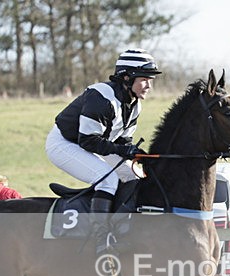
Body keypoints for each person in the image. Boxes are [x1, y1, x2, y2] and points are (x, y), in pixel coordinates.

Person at [45, 48, 162, 254]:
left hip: (95, 141)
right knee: (107, 179)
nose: (149, 85)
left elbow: (122, 140)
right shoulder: (101, 97)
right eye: (144, 79)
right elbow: (88, 141)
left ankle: (123, 228)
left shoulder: (134, 105)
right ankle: (101, 237)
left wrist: (136, 154)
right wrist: (125, 150)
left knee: (133, 176)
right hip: (64, 143)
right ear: (127, 77)